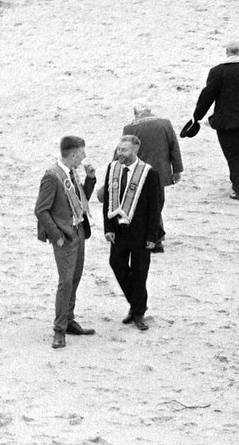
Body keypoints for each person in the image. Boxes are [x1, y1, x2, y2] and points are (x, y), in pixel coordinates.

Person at [186, 41, 239, 201]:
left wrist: (197, 116)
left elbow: (207, 96)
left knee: (234, 155)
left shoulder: (217, 71)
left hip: (227, 121)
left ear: (227, 52)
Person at [35, 136, 97, 349]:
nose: (84, 157)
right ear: (72, 155)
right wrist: (57, 237)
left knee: (76, 277)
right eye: (81, 153)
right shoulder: (53, 176)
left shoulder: (71, 172)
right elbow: (41, 210)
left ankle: (69, 320)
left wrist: (90, 180)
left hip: (78, 231)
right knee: (66, 281)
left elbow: (81, 200)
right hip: (65, 236)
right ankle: (59, 329)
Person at [98, 134, 159, 330]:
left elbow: (154, 207)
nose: (119, 153)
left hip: (141, 232)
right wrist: (108, 228)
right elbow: (108, 200)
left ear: (135, 151)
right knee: (116, 264)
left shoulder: (149, 173)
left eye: (123, 150)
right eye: (118, 149)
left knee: (140, 272)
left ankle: (138, 312)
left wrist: (152, 236)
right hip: (119, 230)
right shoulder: (112, 168)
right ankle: (137, 304)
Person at [123, 102, 183, 253]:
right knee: (157, 204)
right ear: (149, 110)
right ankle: (156, 239)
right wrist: (177, 170)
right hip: (160, 173)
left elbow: (124, 152)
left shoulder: (130, 128)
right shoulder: (165, 124)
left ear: (136, 112)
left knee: (145, 207)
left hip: (139, 173)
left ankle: (154, 239)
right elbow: (174, 147)